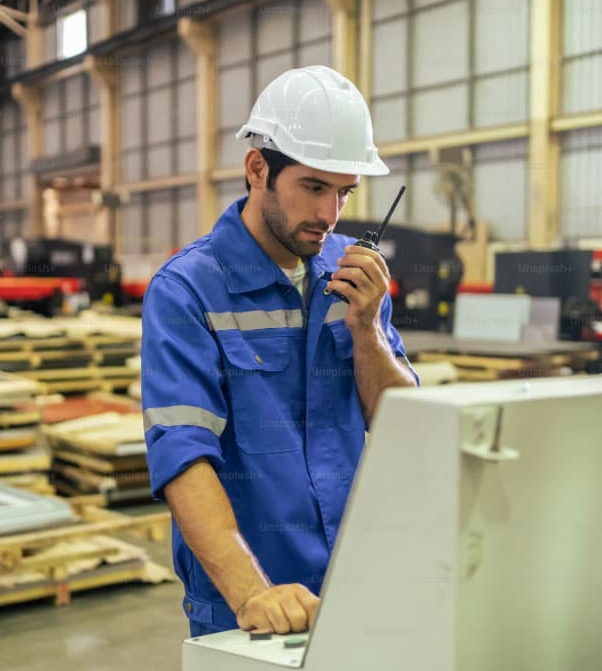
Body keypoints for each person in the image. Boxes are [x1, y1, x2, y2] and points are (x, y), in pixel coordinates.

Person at [141, 65, 418, 638]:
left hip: (352, 579)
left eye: (344, 192)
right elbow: (181, 454)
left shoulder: (353, 275)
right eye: (314, 187)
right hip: (246, 599)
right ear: (258, 169)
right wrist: (252, 594)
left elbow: (404, 428)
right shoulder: (188, 290)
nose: (329, 215)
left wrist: (366, 331)